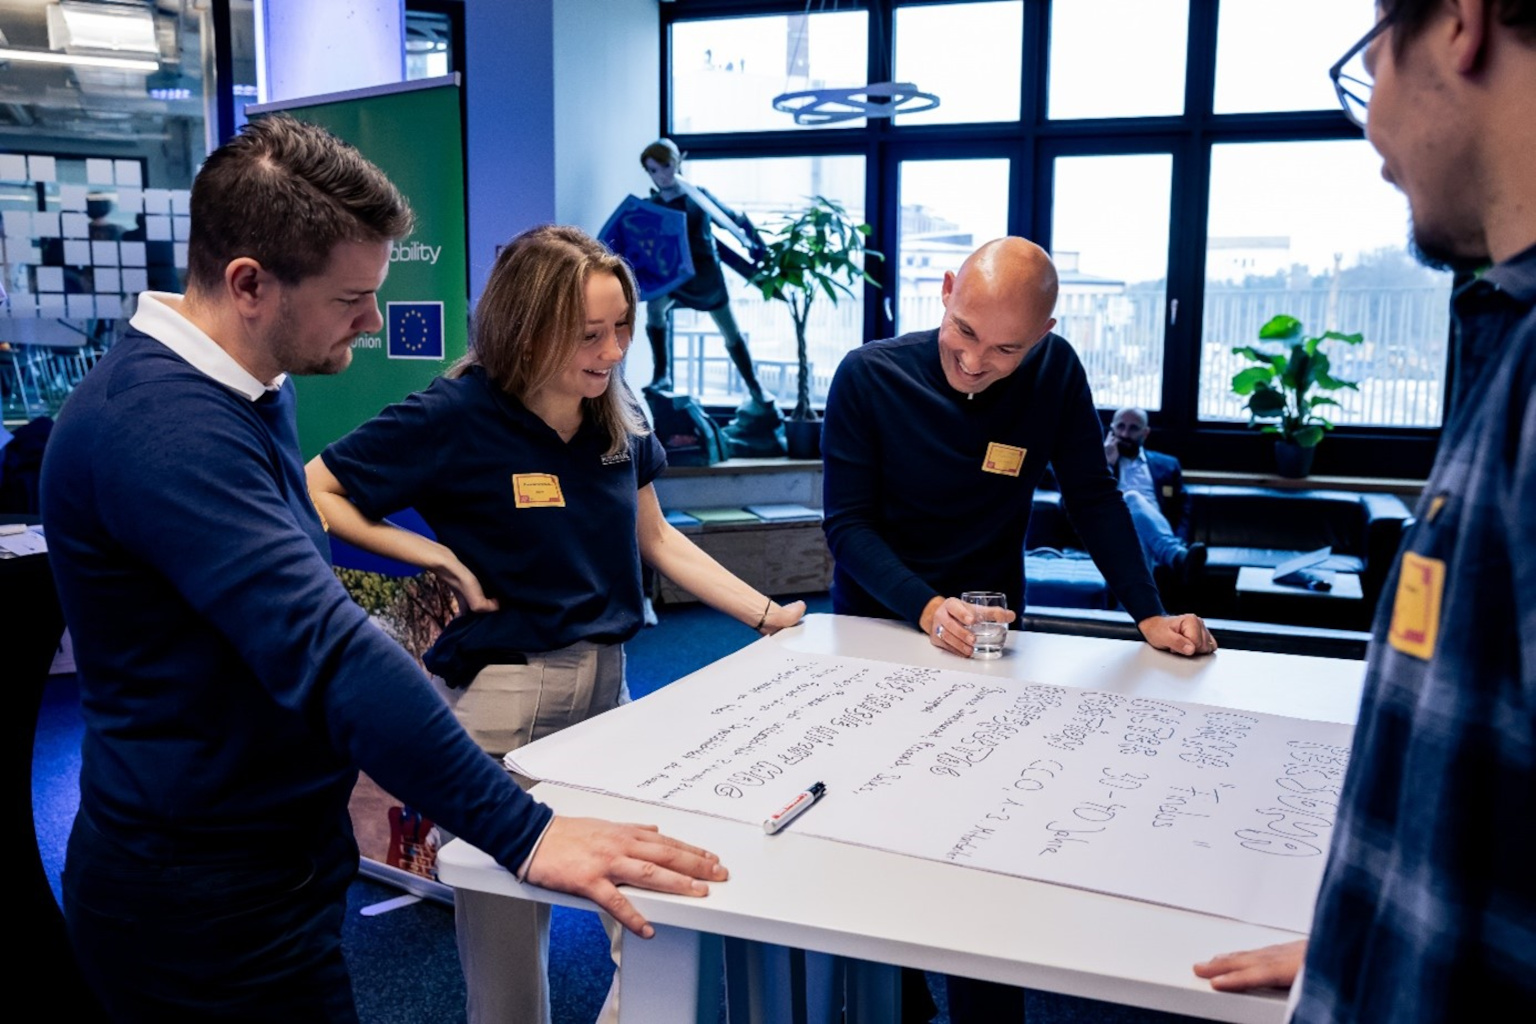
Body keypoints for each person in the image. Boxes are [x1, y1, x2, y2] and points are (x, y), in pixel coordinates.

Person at [39, 115, 727, 1023]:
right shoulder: (160, 427)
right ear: (249, 284)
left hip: (275, 869)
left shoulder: (250, 391)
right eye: (350, 299)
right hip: (194, 904)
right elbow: (328, 649)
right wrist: (526, 833)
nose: (372, 321)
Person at [306, 223, 805, 1024]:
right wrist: (434, 556)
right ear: (528, 329)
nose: (613, 351)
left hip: (611, 698)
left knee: (652, 922)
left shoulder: (617, 413)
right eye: (590, 335)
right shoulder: (457, 411)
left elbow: (657, 538)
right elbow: (316, 488)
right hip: (506, 708)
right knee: (506, 978)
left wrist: (768, 615)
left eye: (622, 329)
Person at [1194, 1, 1536, 1018]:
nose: (1372, 131)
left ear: (1460, 25)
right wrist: (1370, 930)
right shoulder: (1511, 340)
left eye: (1371, 60)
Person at [821, 236, 1216, 1022]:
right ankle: (898, 999)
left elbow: (1092, 497)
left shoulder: (1054, 371)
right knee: (880, 827)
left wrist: (1148, 612)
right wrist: (926, 608)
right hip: (881, 626)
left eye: (1006, 349)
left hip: (991, 634)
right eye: (964, 332)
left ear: (1043, 334)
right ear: (944, 290)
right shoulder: (868, 376)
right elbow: (848, 526)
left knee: (983, 834)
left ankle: (986, 1004)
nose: (975, 362)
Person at [638, 139, 768, 405]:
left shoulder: (698, 197)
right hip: (673, 276)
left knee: (730, 331)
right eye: (653, 170)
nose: (661, 175)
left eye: (666, 166)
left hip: (705, 275)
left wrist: (758, 245)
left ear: (678, 162)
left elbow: (733, 220)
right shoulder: (651, 205)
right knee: (654, 309)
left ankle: (755, 388)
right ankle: (661, 374)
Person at [1104, 405, 1206, 581]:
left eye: (1133, 428)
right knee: (1131, 497)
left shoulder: (1167, 465)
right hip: (1112, 529)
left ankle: (1132, 600)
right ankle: (1175, 555)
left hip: (1155, 529)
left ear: (1145, 433)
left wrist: (1181, 538)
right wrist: (1106, 465)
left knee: (1138, 532)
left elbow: (1183, 509)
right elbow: (1084, 499)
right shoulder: (1098, 463)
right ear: (1111, 429)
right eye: (1120, 426)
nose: (1125, 434)